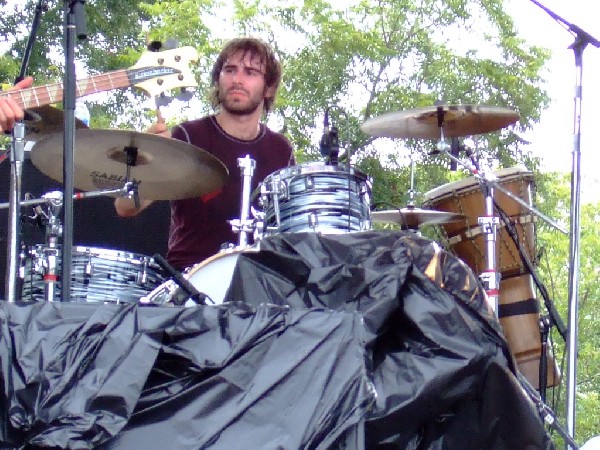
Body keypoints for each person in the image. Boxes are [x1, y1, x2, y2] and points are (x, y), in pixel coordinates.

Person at [115, 37, 295, 271]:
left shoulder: (281, 150)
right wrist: (148, 156)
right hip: (191, 281)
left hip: (259, 284)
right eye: (229, 70)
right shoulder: (187, 137)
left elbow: (292, 232)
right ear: (218, 79)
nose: (237, 80)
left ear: (269, 88)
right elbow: (125, 206)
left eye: (250, 72)